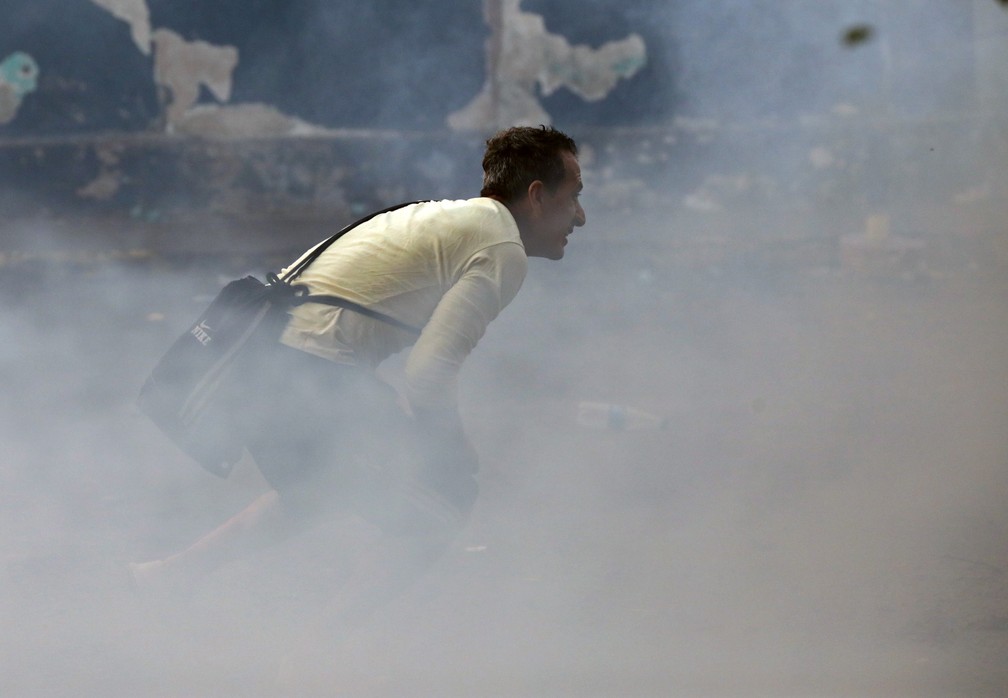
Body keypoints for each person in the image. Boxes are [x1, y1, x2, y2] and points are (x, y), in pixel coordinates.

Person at [129, 124, 586, 633]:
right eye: (575, 199)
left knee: (328, 486)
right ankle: (319, 650)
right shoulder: (502, 246)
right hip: (301, 369)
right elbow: (429, 373)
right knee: (443, 500)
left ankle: (168, 576)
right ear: (538, 197)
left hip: (266, 361)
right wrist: (451, 446)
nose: (581, 217)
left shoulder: (454, 217)